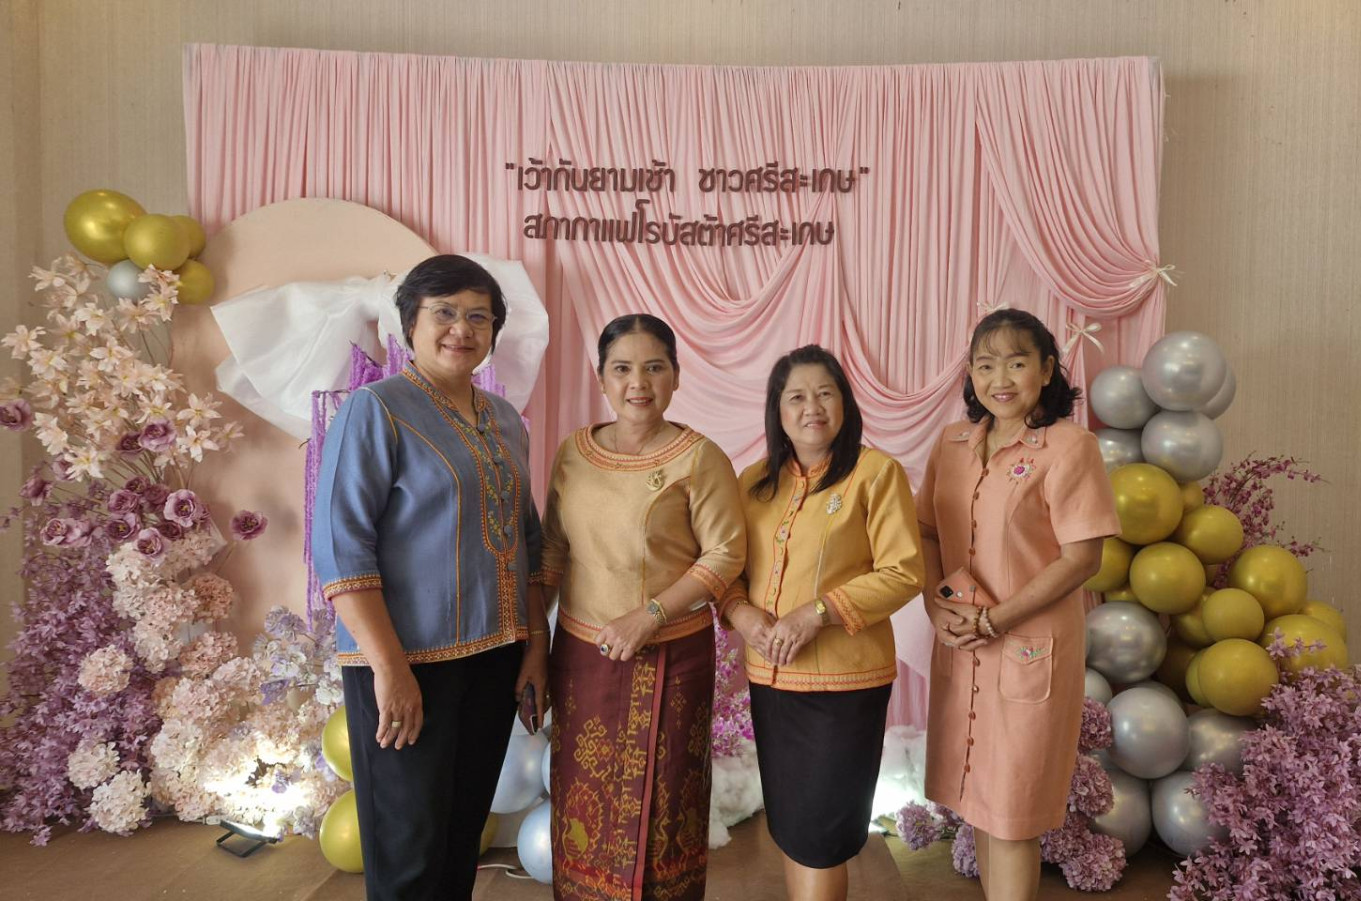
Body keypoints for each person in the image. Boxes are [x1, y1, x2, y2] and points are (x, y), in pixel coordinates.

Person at [312, 254, 545, 901]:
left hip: (493, 660)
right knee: (409, 850)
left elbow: (527, 539)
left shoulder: (505, 420)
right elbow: (341, 547)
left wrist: (535, 648)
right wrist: (390, 669)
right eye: (444, 312)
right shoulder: (375, 409)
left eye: (479, 316)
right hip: (405, 663)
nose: (461, 329)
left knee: (458, 838)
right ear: (409, 322)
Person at [535, 314, 746, 901]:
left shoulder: (698, 457)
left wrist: (649, 615)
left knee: (665, 802)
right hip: (581, 659)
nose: (639, 383)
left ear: (676, 375)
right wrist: (531, 647)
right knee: (583, 799)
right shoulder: (574, 452)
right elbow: (552, 551)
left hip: (672, 658)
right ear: (601, 377)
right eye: (623, 369)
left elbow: (726, 553)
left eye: (654, 368)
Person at [917, 309, 1120, 901]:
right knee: (980, 805)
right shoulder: (953, 444)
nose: (999, 378)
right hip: (963, 644)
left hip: (1030, 648)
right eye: (985, 365)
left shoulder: (1070, 447)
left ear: (1047, 369)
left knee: (1011, 811)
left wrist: (995, 619)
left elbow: (1082, 559)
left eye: (1016, 362)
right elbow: (926, 531)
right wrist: (937, 607)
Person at [720, 345, 924, 901]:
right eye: (796, 397)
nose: (812, 407)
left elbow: (904, 572)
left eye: (825, 393)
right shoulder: (754, 482)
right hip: (771, 681)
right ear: (778, 410)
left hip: (845, 686)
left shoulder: (875, 474)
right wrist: (741, 613)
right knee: (791, 826)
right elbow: (728, 572)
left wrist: (817, 613)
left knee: (822, 834)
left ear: (845, 403)